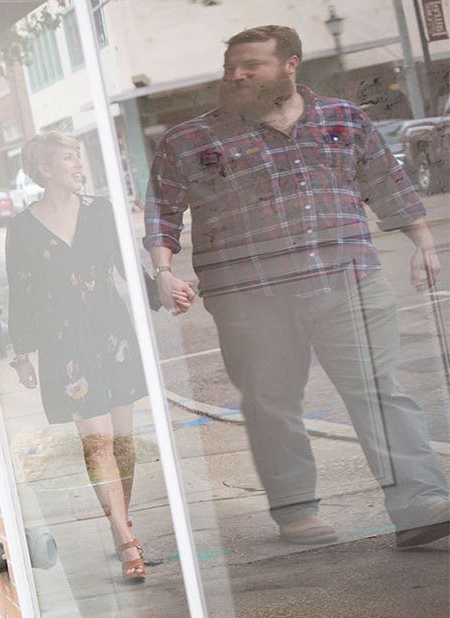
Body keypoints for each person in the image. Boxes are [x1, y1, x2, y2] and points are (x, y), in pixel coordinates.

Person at [145, 25, 449, 548]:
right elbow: (163, 211)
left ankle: (418, 503)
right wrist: (163, 269)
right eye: (230, 68)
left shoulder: (343, 119)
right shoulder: (191, 139)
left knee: (380, 392)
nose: (236, 75)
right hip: (249, 294)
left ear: (291, 64)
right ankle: (296, 510)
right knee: (271, 402)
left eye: (251, 65)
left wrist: (423, 242)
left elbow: (387, 185)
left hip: (349, 280)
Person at [6, 132, 162, 582]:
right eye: (68, 159)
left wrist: (163, 291)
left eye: (78, 158)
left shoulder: (102, 212)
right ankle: (125, 537)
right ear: (45, 171)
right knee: (97, 442)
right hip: (64, 344)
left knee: (124, 442)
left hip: (112, 334)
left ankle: (120, 526)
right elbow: (22, 291)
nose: (78, 166)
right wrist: (22, 353)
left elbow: (127, 264)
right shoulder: (22, 228)